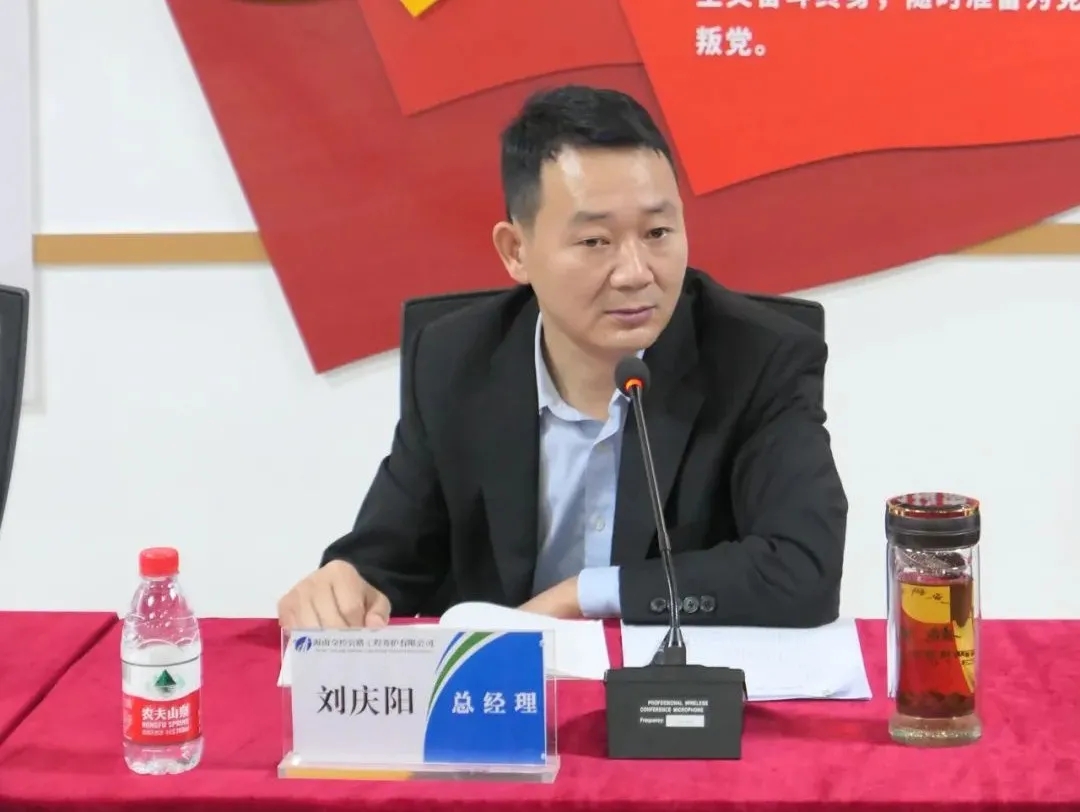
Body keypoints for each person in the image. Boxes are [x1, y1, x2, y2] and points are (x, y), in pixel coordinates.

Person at [277, 84, 848, 631]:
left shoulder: (759, 359)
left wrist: (585, 594)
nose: (635, 273)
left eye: (657, 232)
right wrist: (345, 583)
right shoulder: (454, 362)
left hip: (672, 690)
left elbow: (804, 569)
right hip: (508, 694)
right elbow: (390, 559)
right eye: (595, 241)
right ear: (516, 252)